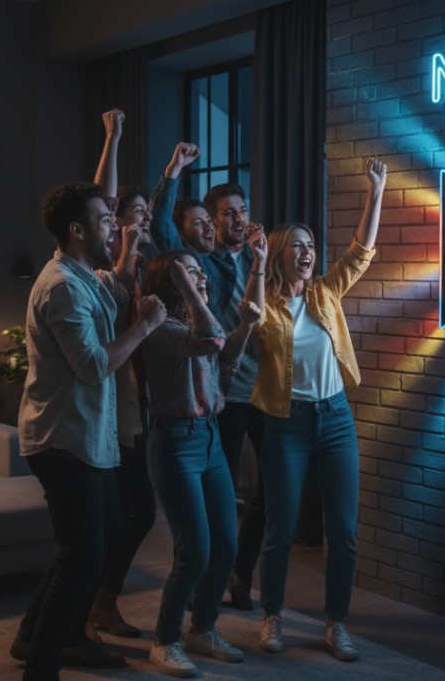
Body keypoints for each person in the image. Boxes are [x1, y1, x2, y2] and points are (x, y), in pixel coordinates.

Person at [12, 181, 167, 681]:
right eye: (106, 220)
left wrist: (130, 245)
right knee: (83, 558)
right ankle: (42, 666)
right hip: (62, 439)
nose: (114, 226)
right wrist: (143, 327)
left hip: (89, 436)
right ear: (77, 230)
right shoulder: (60, 286)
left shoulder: (84, 274)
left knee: (95, 545)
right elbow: (93, 364)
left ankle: (36, 636)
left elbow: (117, 286)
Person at [251, 157, 387, 662]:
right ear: (280, 255)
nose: (307, 253)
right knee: (280, 529)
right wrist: (256, 262)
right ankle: (271, 617)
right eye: (297, 247)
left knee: (344, 534)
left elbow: (360, 253)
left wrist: (376, 192)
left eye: (311, 246)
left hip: (335, 420)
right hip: (285, 426)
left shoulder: (326, 293)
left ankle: (336, 624)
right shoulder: (262, 304)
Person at [140, 241, 264, 677]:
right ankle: (165, 640)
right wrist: (190, 290)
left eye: (200, 273)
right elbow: (210, 339)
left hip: (209, 436)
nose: (203, 279)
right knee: (194, 551)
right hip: (174, 442)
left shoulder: (196, 318)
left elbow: (225, 356)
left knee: (226, 546)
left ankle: (203, 629)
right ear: (172, 282)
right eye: (191, 273)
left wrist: (246, 325)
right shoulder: (158, 326)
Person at [84, 107, 159, 640]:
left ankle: (97, 603)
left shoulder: (139, 262)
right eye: (124, 215)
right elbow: (101, 201)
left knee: (132, 514)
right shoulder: (97, 265)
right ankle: (96, 603)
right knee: (132, 514)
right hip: (105, 407)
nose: (131, 223)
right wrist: (113, 137)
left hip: (135, 403)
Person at [200, 182, 268, 610]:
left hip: (266, 390)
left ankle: (241, 573)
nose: (238, 219)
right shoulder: (204, 263)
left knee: (272, 486)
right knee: (217, 492)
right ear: (213, 220)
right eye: (228, 213)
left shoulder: (262, 258)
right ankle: (206, 578)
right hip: (224, 393)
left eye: (242, 210)